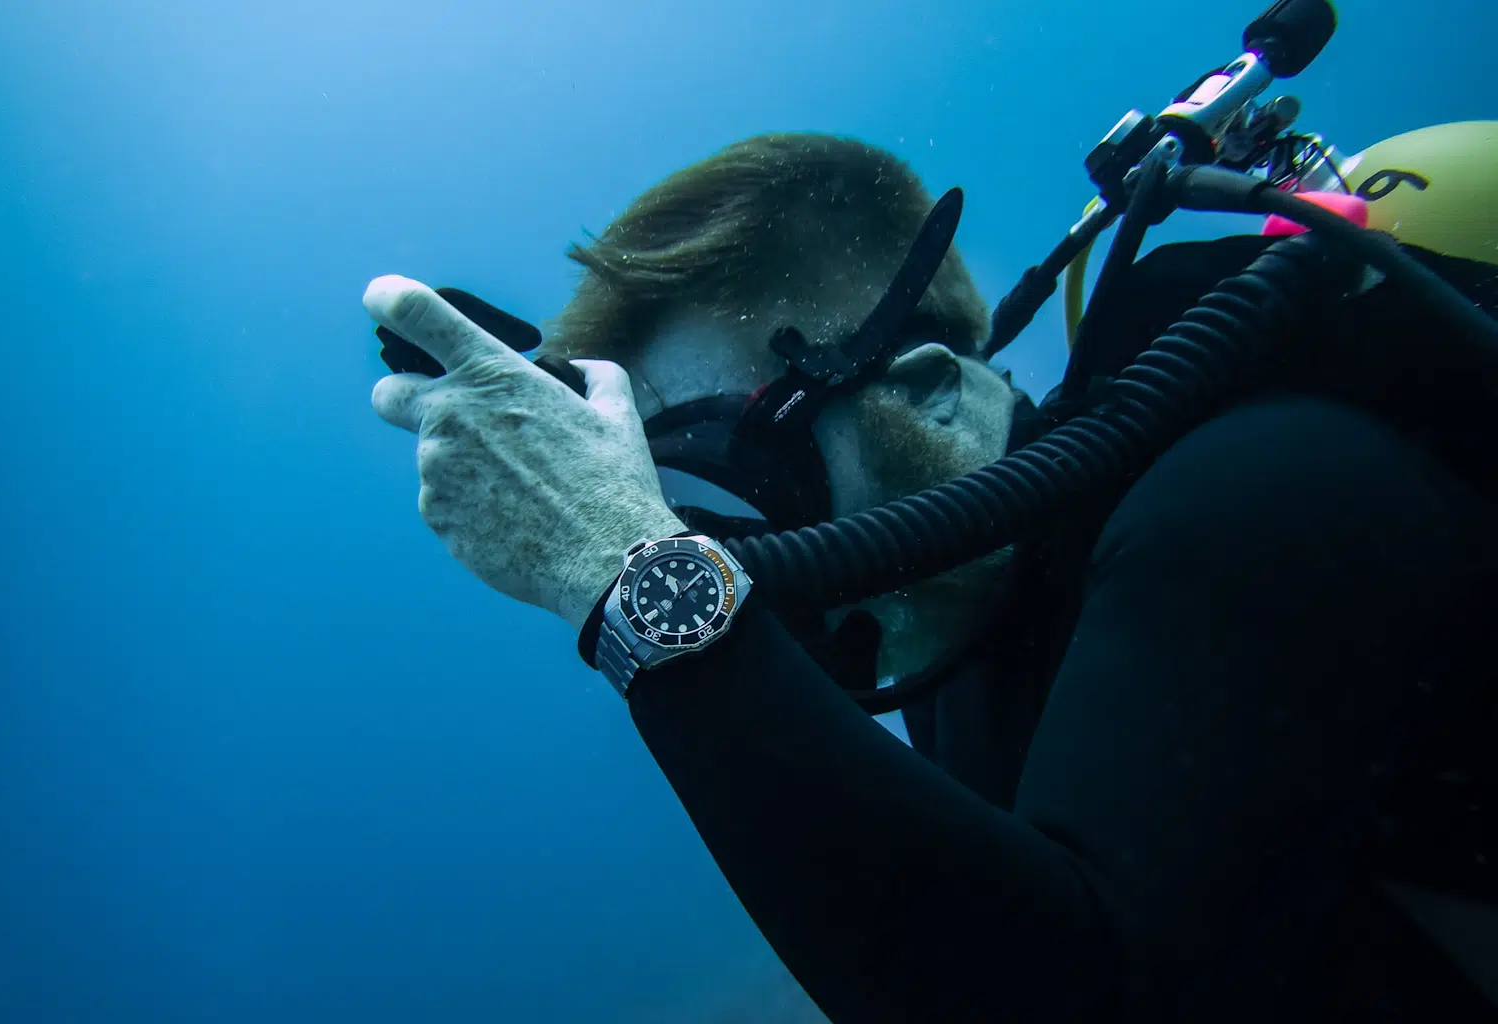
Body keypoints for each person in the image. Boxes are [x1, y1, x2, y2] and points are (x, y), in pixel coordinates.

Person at [365, 132, 1498, 1021]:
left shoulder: (1268, 490)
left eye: (730, 488)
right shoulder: (971, 661)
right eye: (673, 515)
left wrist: (622, 574)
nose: (727, 545)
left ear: (930, 392)